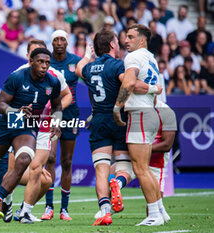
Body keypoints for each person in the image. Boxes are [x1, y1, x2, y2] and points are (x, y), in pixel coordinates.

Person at [76, 29, 162, 226]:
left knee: (101, 170)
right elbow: (130, 84)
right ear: (113, 45)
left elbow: (78, 69)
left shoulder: (89, 68)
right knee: (128, 167)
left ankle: (104, 211)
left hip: (98, 121)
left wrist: (87, 56)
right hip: (120, 120)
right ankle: (120, 183)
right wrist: (153, 88)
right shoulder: (118, 66)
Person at [0, 47, 62, 220]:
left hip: (26, 128)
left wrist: (57, 121)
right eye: (40, 62)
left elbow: (57, 105)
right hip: (5, 126)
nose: (44, 66)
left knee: (24, 160)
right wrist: (15, 111)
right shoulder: (17, 77)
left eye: (47, 63)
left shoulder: (53, 82)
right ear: (31, 62)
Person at [10, 39, 73, 224]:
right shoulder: (18, 74)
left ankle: (25, 211)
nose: (41, 63)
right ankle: (5, 202)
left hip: (44, 125)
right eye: (36, 56)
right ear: (29, 57)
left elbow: (67, 95)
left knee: (38, 169)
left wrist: (55, 116)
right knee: (13, 167)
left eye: (45, 59)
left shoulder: (54, 77)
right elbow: (8, 101)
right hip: (22, 124)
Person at [113, 24, 168, 226]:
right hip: (149, 112)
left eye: (130, 37)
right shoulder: (150, 58)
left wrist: (117, 106)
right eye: (125, 37)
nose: (125, 40)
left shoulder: (133, 57)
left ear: (141, 40)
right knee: (144, 168)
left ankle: (153, 214)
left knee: (140, 168)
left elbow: (128, 83)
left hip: (139, 114)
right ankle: (159, 211)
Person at [41, 30, 81, 221]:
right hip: (51, 116)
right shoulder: (46, 61)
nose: (59, 42)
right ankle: (48, 206)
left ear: (67, 42)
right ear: (51, 43)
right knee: (50, 158)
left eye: (62, 39)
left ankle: (64, 209)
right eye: (55, 39)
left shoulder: (76, 61)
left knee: (66, 162)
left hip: (71, 116)